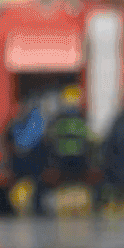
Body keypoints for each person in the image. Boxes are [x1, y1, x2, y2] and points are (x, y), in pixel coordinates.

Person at [46, 85, 93, 215]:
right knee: (77, 184)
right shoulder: (81, 117)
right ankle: (78, 206)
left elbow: (51, 136)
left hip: (63, 158)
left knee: (66, 185)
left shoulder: (58, 119)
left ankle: (67, 206)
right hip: (78, 157)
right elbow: (88, 136)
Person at [4, 99, 48, 216]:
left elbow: (12, 140)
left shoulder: (19, 123)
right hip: (32, 163)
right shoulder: (35, 121)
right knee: (36, 183)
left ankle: (23, 205)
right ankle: (35, 206)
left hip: (22, 162)